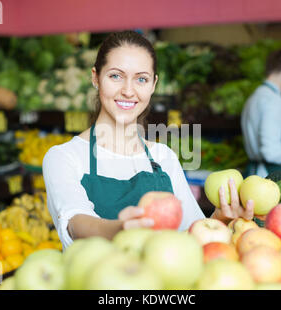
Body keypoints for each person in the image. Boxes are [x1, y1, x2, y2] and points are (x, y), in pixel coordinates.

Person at [43, 31, 254, 249]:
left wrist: (222, 218)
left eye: (141, 79)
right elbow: (75, 224)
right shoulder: (63, 157)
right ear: (96, 77)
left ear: (153, 85)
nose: (127, 90)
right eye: (116, 76)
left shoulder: (163, 157)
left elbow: (191, 235)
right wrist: (121, 229)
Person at [241, 50, 281, 178]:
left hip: (253, 173)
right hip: (271, 177)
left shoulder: (254, 96)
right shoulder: (274, 101)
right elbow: (270, 151)